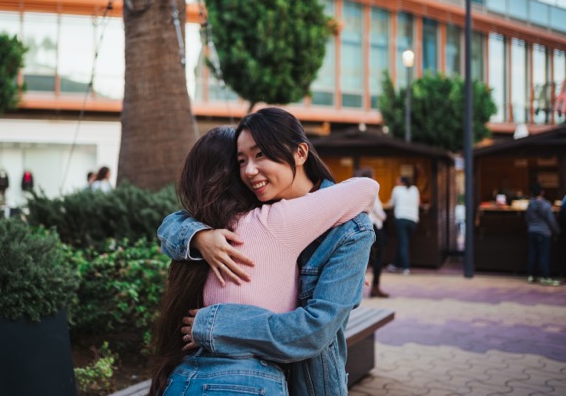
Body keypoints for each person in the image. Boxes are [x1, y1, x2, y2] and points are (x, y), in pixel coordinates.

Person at [157, 107, 377, 396]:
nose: (249, 170)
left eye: (260, 155)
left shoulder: (348, 229)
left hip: (306, 381)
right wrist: (198, 236)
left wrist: (217, 324)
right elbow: (174, 221)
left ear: (300, 153)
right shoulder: (256, 214)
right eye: (241, 160)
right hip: (248, 376)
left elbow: (316, 330)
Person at [356, 168, 389, 298]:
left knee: (361, 259)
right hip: (375, 227)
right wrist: (385, 216)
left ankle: (356, 290)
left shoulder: (356, 190)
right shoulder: (372, 189)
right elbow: (379, 211)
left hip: (362, 227)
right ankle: (375, 287)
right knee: (378, 259)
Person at [525, 182, 560, 286]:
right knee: (544, 255)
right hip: (544, 232)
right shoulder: (546, 205)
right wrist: (557, 231)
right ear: (542, 192)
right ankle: (545, 276)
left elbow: (527, 218)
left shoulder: (530, 205)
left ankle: (531, 275)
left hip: (532, 231)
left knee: (533, 253)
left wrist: (530, 226)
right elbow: (551, 220)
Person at [387, 176, 419, 275]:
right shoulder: (415, 189)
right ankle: (395, 265)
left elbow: (391, 204)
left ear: (401, 182)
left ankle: (406, 267)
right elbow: (419, 202)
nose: (396, 182)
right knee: (403, 242)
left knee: (403, 243)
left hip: (401, 218)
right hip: (413, 219)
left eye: (397, 180)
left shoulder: (396, 189)